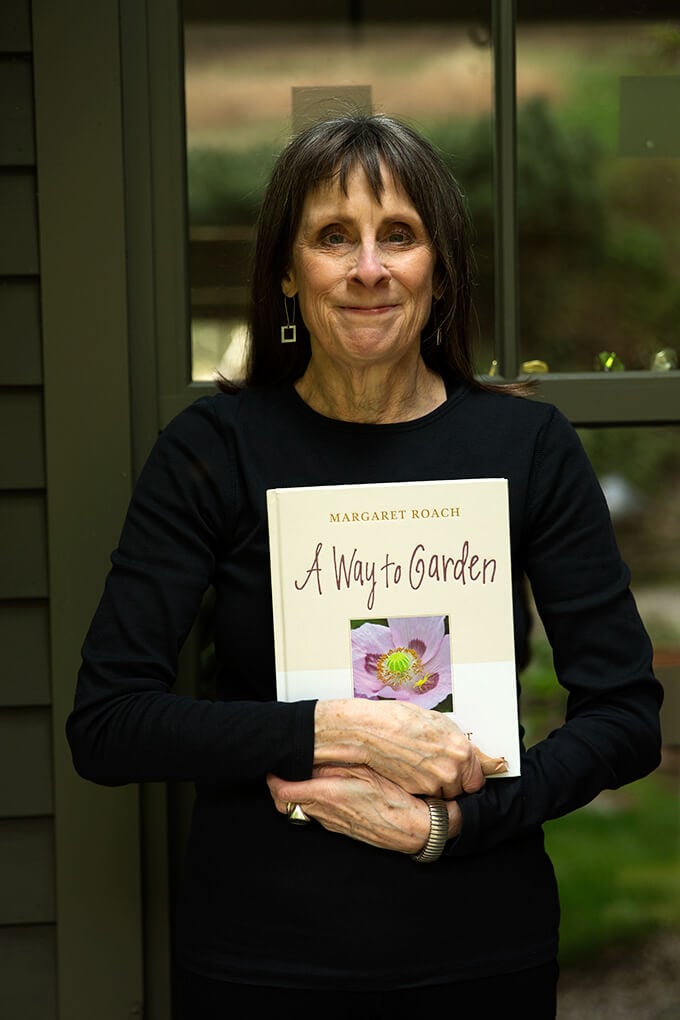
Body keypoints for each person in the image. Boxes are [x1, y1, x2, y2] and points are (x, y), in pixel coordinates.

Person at [67, 113, 663, 1018]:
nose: (370, 268)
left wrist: (453, 823)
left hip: (480, 950)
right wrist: (336, 730)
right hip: (261, 961)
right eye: (333, 236)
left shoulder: (528, 446)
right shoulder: (213, 451)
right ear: (286, 269)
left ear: (440, 267)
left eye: (400, 235)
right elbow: (109, 724)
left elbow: (625, 716)